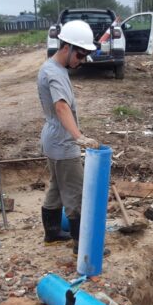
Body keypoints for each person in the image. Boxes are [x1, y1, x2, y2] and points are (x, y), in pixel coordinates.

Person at [37, 20, 99, 254]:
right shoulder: (55, 74)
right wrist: (79, 137)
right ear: (67, 48)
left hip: (52, 140)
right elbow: (61, 107)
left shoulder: (51, 68)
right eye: (80, 55)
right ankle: (81, 246)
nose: (81, 61)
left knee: (56, 187)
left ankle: (52, 233)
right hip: (63, 144)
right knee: (76, 193)